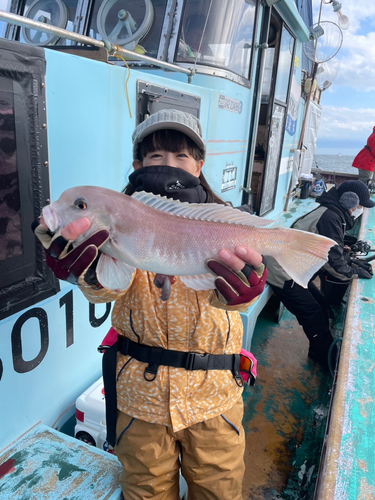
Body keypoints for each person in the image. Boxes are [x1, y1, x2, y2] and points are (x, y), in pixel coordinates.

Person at [33, 109, 268, 500]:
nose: (169, 165)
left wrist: (248, 289)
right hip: (140, 402)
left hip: (214, 399)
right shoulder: (115, 220)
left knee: (220, 493)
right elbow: (106, 290)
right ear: (138, 165)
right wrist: (84, 273)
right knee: (143, 493)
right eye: (156, 157)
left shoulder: (225, 221)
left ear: (199, 165)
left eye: (181, 156)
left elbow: (234, 300)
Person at [265, 180, 374, 369]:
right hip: (283, 272)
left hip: (295, 269)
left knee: (321, 303)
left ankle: (317, 350)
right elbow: (335, 267)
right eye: (360, 205)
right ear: (349, 201)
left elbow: (332, 251)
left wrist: (351, 259)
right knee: (312, 314)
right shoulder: (331, 217)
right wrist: (355, 271)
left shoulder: (331, 213)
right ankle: (326, 359)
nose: (360, 210)